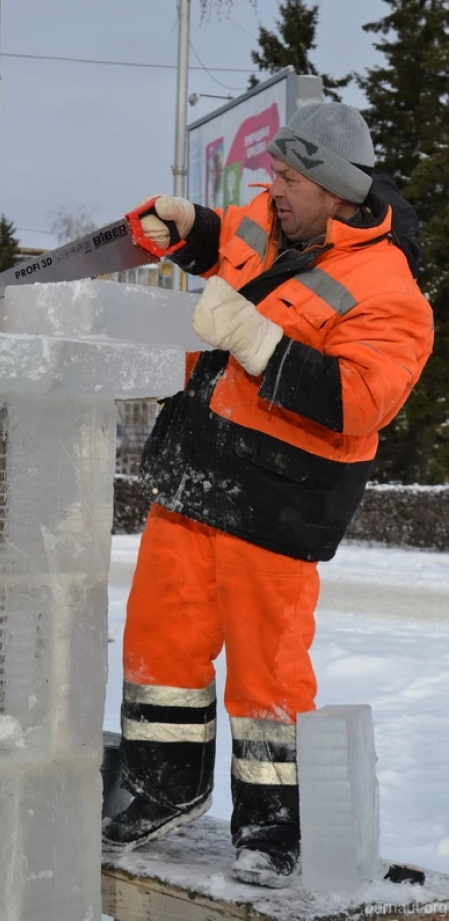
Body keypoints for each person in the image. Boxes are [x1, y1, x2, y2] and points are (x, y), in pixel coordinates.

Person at [101, 103, 434, 888]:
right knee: (160, 652)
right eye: (272, 174)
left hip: (276, 505)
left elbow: (362, 399)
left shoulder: (390, 291)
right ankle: (161, 788)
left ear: (331, 187)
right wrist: (191, 230)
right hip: (193, 479)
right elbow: (237, 249)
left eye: (287, 176)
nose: (271, 188)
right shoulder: (269, 218)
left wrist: (255, 341)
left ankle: (274, 828)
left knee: (268, 676)